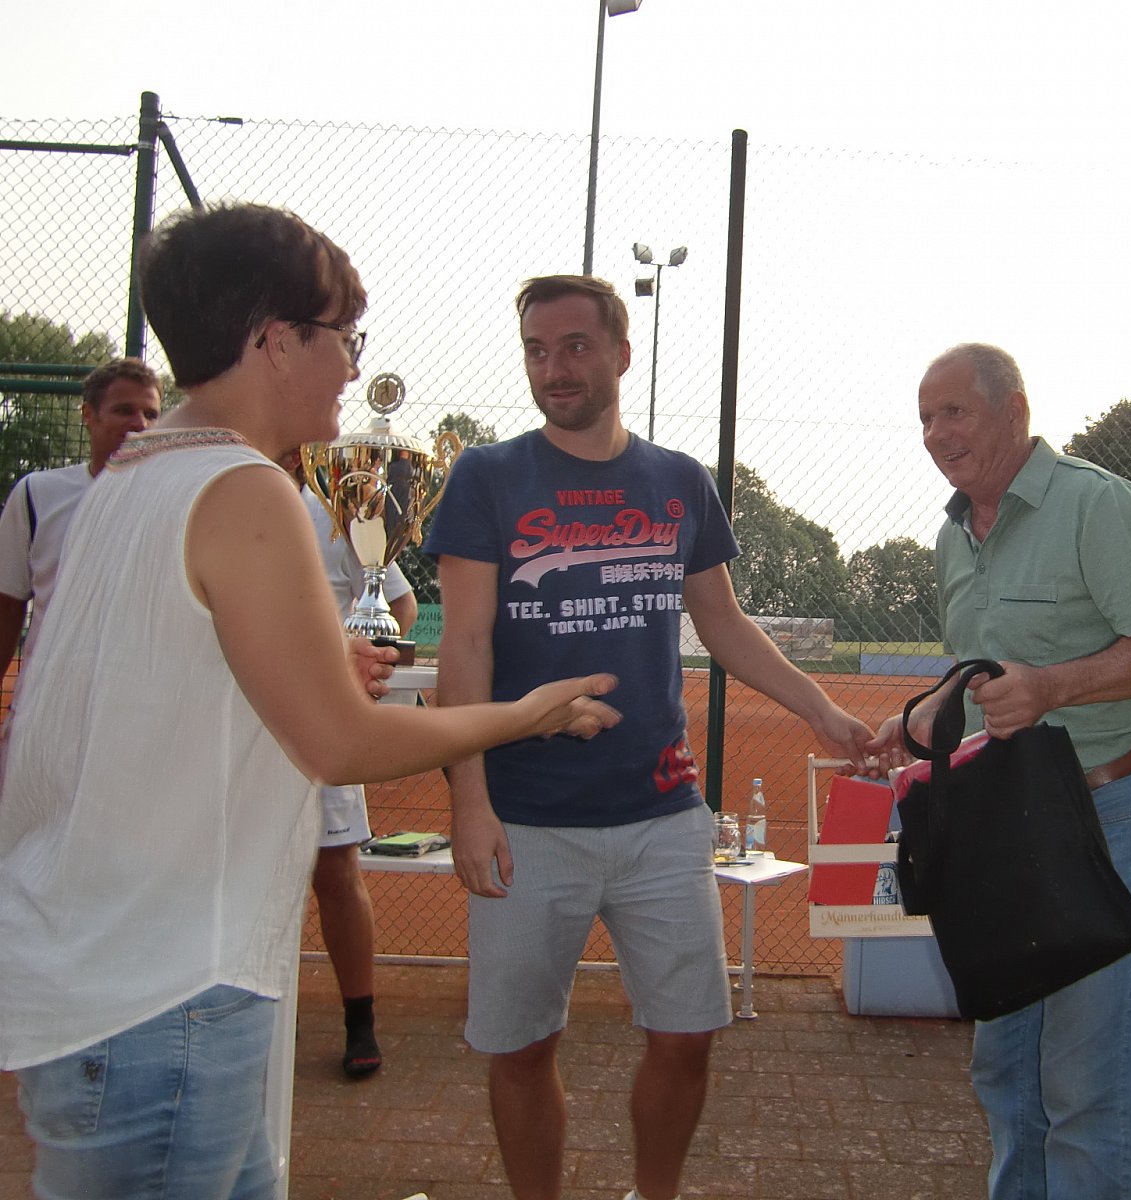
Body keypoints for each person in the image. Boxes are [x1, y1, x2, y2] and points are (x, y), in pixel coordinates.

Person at [0, 203, 620, 1200]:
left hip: (115, 977)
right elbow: (340, 744)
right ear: (276, 341)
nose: (350, 366)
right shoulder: (245, 489)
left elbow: (172, 671)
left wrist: (322, 653)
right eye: (343, 337)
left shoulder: (136, 473)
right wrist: (531, 712)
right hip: (166, 998)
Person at [423, 274, 875, 1200]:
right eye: (537, 350)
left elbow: (724, 624)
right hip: (525, 816)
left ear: (622, 355)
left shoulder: (677, 481)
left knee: (687, 1034)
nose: (555, 369)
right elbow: (462, 648)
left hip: (661, 813)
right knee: (521, 1046)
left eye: (576, 347)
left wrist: (823, 710)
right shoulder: (488, 477)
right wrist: (469, 802)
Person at [867, 343, 1131, 1200]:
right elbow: (985, 671)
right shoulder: (953, 535)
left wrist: (1054, 686)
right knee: (1008, 1071)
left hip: (1108, 814)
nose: (936, 433)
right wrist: (924, 715)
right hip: (1008, 824)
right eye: (925, 418)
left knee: (1086, 1089)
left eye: (955, 412)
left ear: (1013, 410)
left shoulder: (1096, 503)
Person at [282, 447, 420, 1078]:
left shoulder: (338, 516)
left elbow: (401, 604)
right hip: (246, 718)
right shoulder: (226, 500)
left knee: (336, 872)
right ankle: (264, 1012)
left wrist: (359, 659)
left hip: (322, 722)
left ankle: (359, 1021)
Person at [0, 357, 163, 684]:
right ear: (89, 415)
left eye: (151, 414)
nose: (140, 424)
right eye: (124, 410)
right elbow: (8, 605)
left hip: (135, 701)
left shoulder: (179, 501)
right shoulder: (36, 494)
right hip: (45, 699)